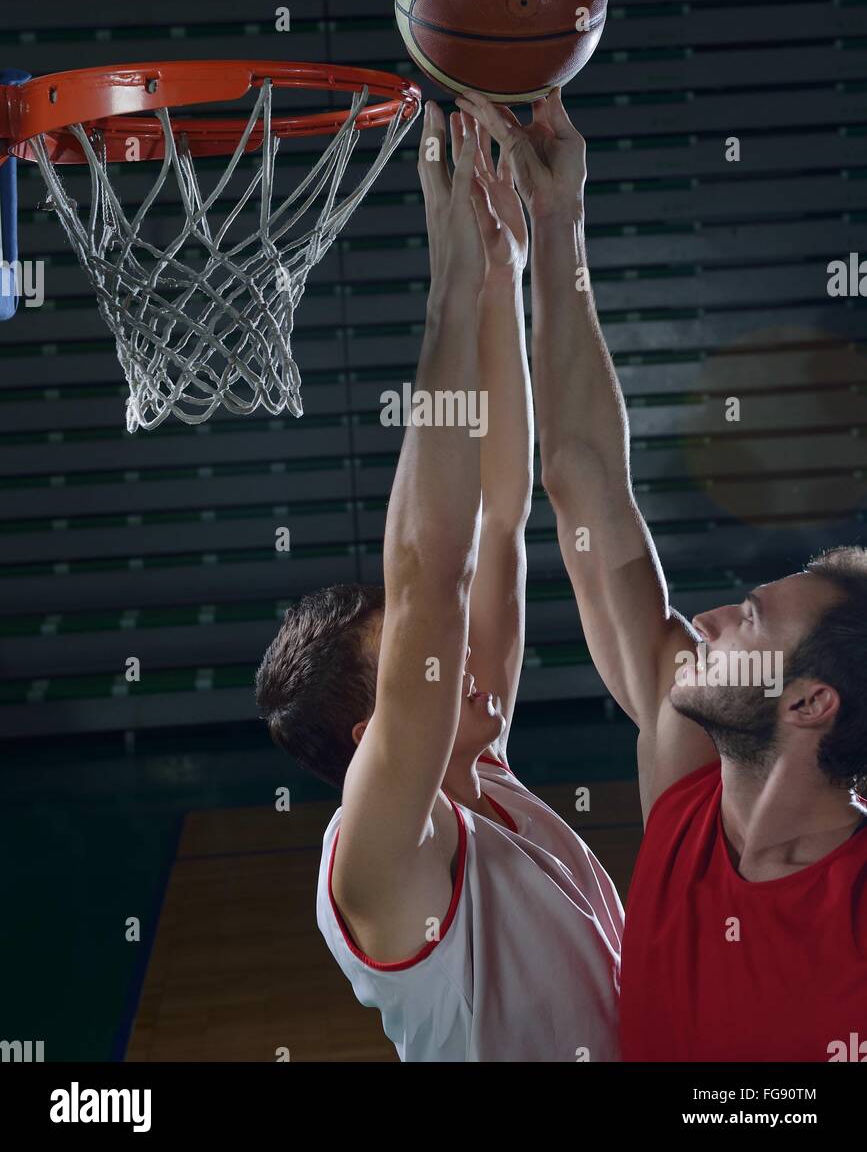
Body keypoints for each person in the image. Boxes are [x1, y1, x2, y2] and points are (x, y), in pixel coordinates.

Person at [456, 85, 867, 1064]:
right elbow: (582, 477)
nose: (712, 619)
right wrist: (554, 227)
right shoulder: (689, 788)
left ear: (810, 700)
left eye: (751, 622)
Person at [256, 102, 622, 1062]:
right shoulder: (374, 861)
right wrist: (448, 291)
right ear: (370, 737)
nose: (468, 665)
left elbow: (499, 515)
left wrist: (501, 272)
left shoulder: (483, 767)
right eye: (424, 664)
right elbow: (430, 581)